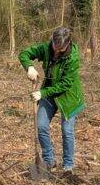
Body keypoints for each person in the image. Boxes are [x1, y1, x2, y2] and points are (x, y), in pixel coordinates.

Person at [19, 27, 85, 174]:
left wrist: (42, 93)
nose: (56, 51)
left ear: (67, 44)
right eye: (55, 46)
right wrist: (29, 66)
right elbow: (24, 54)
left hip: (69, 97)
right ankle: (49, 161)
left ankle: (68, 165)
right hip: (48, 93)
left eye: (60, 49)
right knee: (41, 125)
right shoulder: (46, 48)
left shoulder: (72, 58)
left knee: (67, 130)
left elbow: (65, 84)